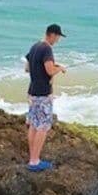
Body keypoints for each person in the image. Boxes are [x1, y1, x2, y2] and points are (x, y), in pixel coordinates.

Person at [23, 24, 63, 169]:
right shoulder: (47, 48)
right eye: (58, 37)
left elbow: (27, 68)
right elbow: (50, 71)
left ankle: (33, 158)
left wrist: (53, 66)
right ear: (52, 34)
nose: (58, 40)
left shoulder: (35, 47)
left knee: (34, 124)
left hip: (33, 92)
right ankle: (35, 161)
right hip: (43, 93)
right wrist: (60, 68)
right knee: (43, 127)